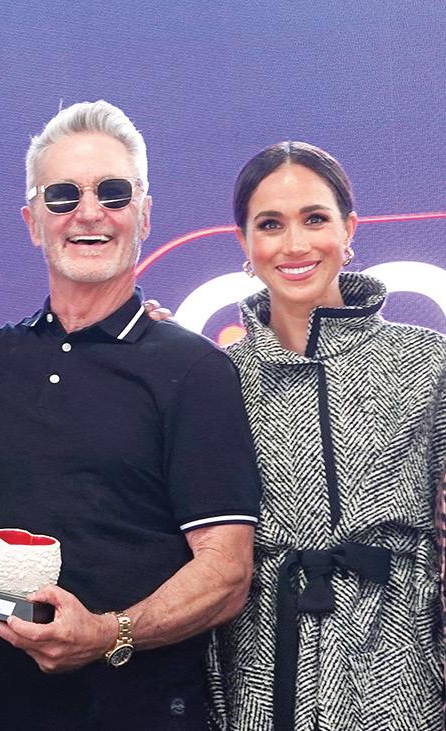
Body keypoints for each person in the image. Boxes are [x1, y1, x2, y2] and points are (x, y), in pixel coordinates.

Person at [0, 100, 261, 730]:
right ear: (33, 222)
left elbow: (226, 572)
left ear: (144, 213)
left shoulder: (194, 370)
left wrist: (109, 634)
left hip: (136, 711)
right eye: (63, 196)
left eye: (112, 192)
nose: (89, 212)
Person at [208, 141, 446, 731]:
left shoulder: (427, 360)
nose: (295, 245)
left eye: (315, 219)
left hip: (400, 667)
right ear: (244, 243)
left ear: (349, 229)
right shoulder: (214, 376)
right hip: (262, 669)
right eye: (270, 224)